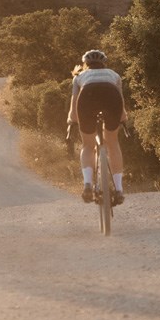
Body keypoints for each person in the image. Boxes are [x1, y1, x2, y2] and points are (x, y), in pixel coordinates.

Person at [66, 49, 127, 205]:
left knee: (88, 145)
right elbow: (121, 101)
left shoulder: (79, 76)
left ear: (86, 64)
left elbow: (74, 105)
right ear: (104, 63)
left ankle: (87, 184)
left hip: (88, 97)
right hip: (111, 97)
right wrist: (123, 117)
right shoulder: (114, 75)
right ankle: (119, 189)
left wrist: (72, 120)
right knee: (113, 144)